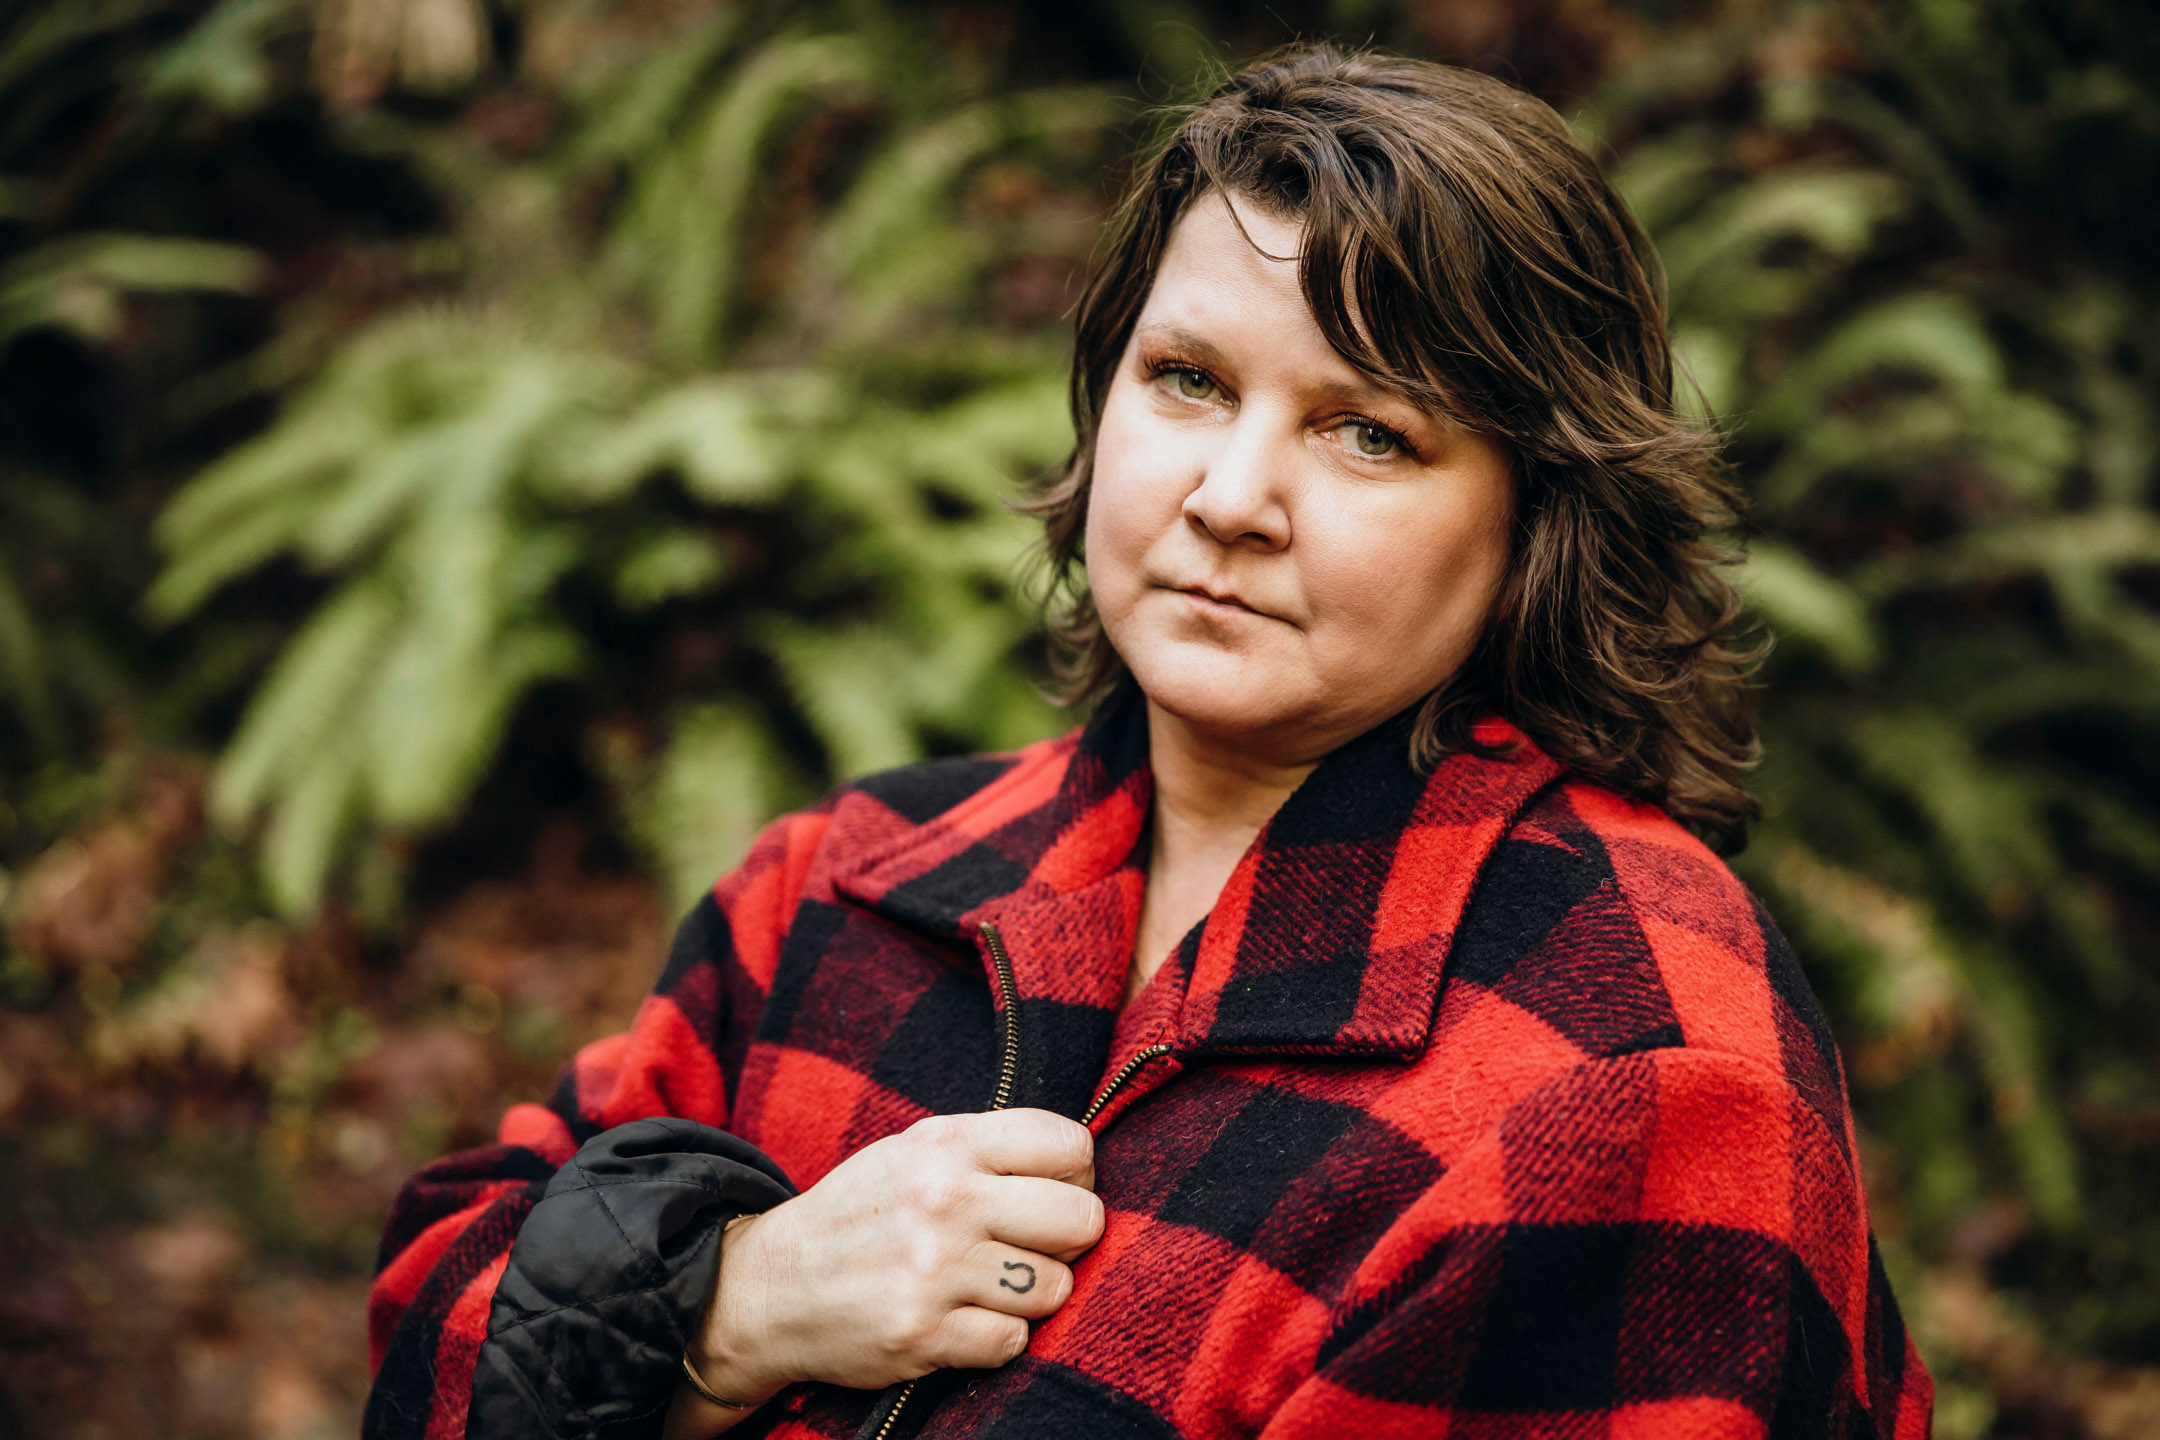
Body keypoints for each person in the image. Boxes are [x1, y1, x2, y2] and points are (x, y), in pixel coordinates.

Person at [364, 42, 1934, 1440]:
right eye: (1188, 381)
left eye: (1369, 431)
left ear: (1541, 515)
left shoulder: (1634, 1071)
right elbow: (437, 1295)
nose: (1232, 497)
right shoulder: (843, 880)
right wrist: (730, 1309)